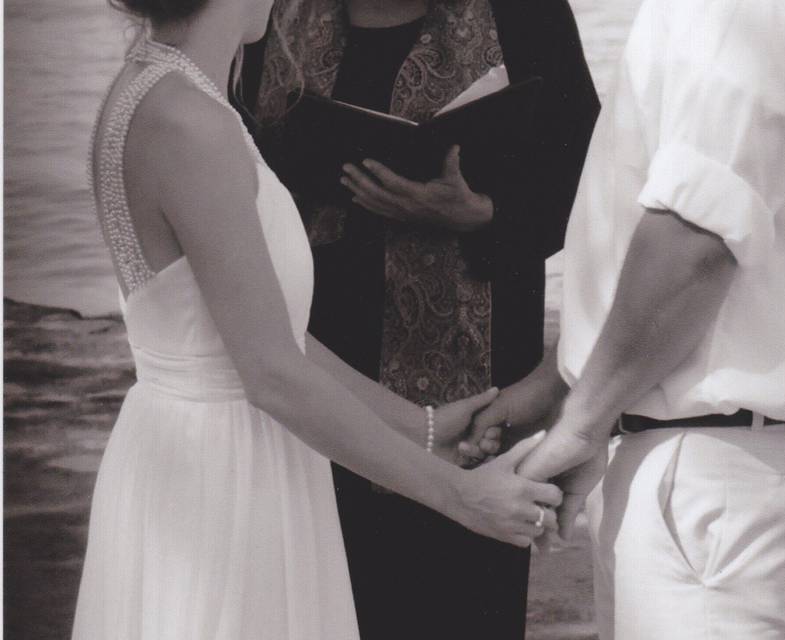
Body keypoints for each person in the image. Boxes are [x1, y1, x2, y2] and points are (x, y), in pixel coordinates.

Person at [72, 0, 564, 637]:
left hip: (200, 449)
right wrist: (457, 495)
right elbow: (270, 373)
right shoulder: (190, 123)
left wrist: (424, 426)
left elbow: (271, 335)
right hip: (224, 473)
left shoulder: (150, 91)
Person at [474, 0, 785, 638]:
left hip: (714, 474)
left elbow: (697, 240)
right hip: (714, 457)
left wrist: (583, 421)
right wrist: (564, 385)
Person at [234, 1, 599, 638]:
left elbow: (592, 188)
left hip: (475, 374)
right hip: (318, 355)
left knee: (457, 599)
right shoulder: (272, 15)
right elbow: (236, 173)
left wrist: (483, 214)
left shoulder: (525, 13)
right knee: (320, 590)